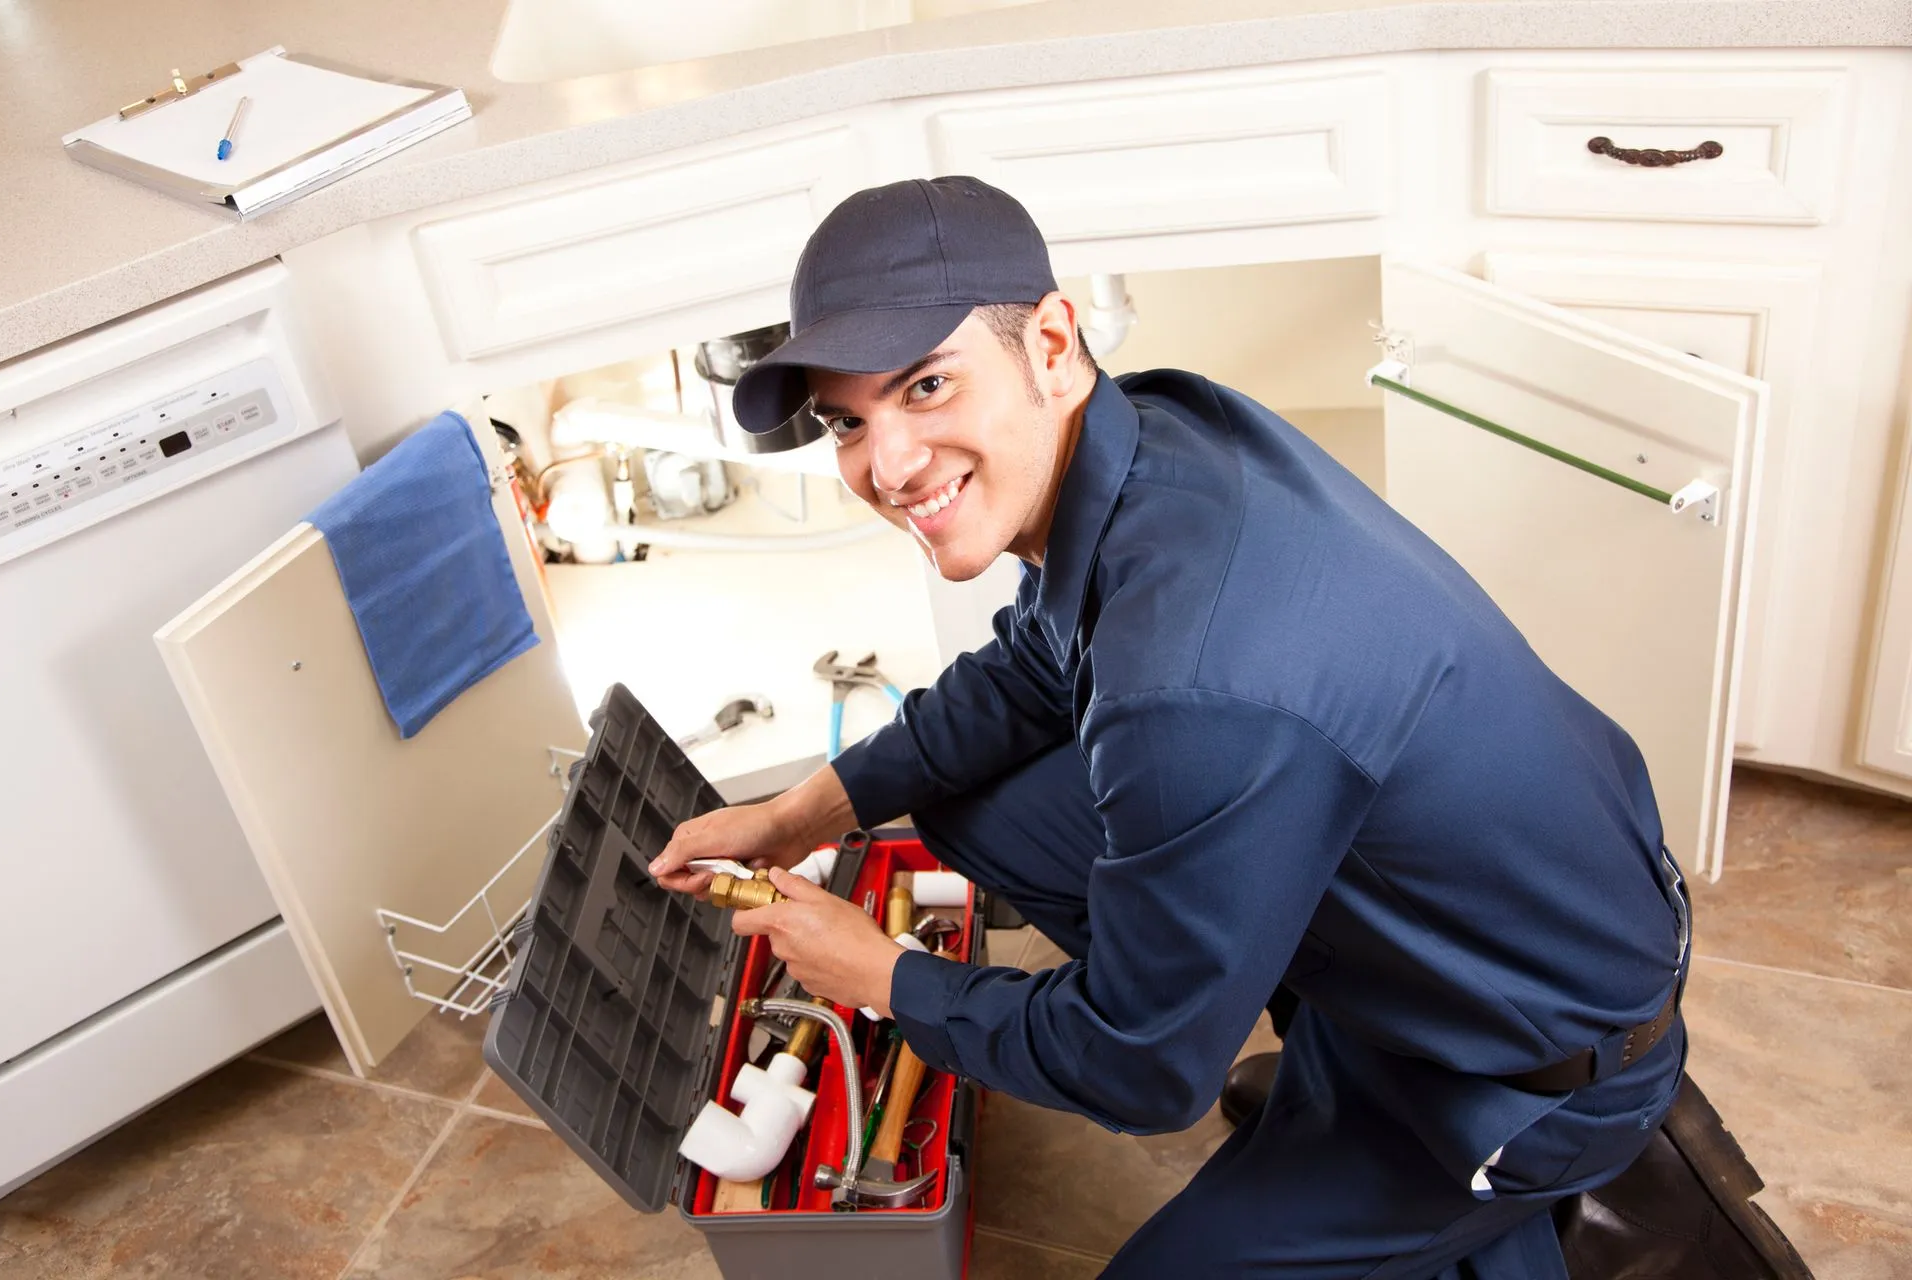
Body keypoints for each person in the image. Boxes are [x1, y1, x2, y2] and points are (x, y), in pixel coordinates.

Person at [648, 176, 1810, 1278]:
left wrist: (890, 976)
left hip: (1524, 1068)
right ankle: (1292, 1052)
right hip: (1490, 920)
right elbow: (1028, 672)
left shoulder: (1193, 684)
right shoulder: (1151, 433)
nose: (888, 464)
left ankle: (1483, 1204)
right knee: (974, 798)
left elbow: (1145, 1076)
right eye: (847, 420)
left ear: (1050, 346)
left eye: (927, 386)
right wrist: (798, 809)